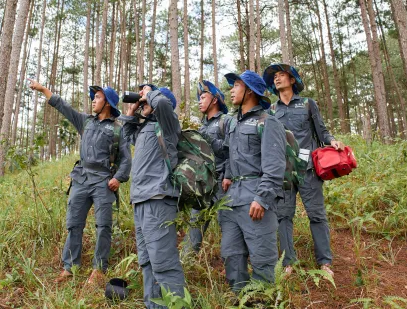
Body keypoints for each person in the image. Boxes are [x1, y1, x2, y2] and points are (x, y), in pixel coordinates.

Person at [28, 79, 132, 284]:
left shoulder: (118, 130)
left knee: (103, 226)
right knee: (74, 224)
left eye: (98, 97)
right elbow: (63, 107)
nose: (93, 101)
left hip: (103, 181)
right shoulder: (85, 121)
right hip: (81, 179)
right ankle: (70, 267)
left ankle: (98, 269)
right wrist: (43, 89)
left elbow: (126, 160)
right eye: (93, 97)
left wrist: (118, 179)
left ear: (108, 103)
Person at [262, 63, 345, 277]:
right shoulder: (271, 110)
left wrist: (332, 141)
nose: (277, 79)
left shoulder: (308, 104)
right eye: (275, 77)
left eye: (282, 75)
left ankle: (324, 263)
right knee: (283, 216)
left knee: (317, 215)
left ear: (292, 80)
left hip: (308, 169)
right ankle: (288, 263)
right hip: (284, 173)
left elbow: (322, 130)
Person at [119, 84, 186, 309]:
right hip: (140, 201)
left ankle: (176, 305)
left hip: (158, 199)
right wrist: (131, 113)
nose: (143, 102)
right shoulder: (146, 128)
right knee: (147, 263)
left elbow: (165, 103)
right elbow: (126, 136)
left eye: (147, 100)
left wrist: (150, 92)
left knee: (164, 263)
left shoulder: (167, 124)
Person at [220, 70, 286, 292]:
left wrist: (262, 197)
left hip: (255, 200)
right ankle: (241, 298)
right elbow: (230, 155)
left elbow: (275, 165)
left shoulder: (268, 122)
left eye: (237, 85)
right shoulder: (232, 124)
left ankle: (263, 301)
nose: (231, 90)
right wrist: (227, 176)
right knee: (231, 255)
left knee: (263, 259)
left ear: (250, 91)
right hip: (231, 202)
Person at [182, 80, 231, 254]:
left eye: (204, 97)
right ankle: (186, 262)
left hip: (223, 183)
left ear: (215, 99)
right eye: (199, 98)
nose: (200, 101)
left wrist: (228, 176)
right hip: (203, 184)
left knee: (228, 226)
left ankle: (232, 263)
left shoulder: (226, 121)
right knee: (196, 225)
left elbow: (232, 151)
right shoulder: (202, 126)